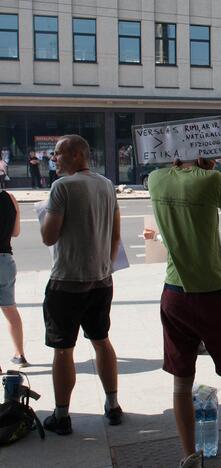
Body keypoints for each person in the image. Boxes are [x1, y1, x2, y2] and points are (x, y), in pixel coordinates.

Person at [148, 156, 221, 467]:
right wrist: (213, 175)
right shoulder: (210, 179)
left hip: (174, 291)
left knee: (181, 379)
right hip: (213, 291)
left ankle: (189, 456)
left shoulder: (155, 179)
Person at [39, 135, 122, 435]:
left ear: (76, 155)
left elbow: (49, 236)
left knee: (63, 350)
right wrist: (104, 267)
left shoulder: (62, 187)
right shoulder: (107, 185)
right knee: (101, 341)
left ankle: (61, 416)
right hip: (101, 281)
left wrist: (46, 216)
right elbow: (115, 235)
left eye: (59, 153)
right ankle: (113, 405)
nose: (54, 158)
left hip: (66, 282)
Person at [1, 189, 27, 367]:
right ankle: (20, 354)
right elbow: (16, 232)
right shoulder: (10, 198)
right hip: (5, 261)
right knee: (10, 310)